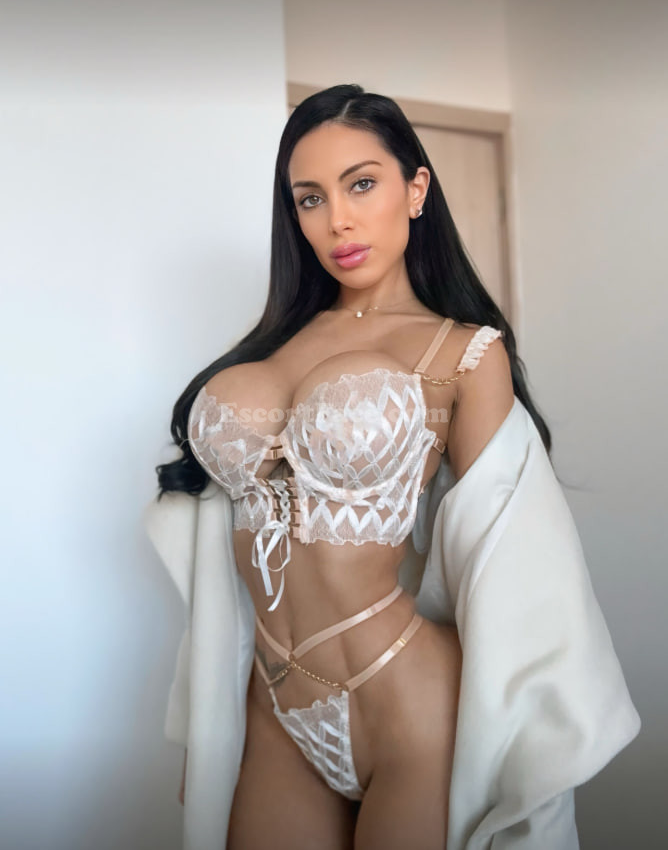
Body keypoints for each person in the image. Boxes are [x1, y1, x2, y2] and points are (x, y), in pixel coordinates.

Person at [146, 84, 640, 850]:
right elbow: (223, 553)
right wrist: (209, 730)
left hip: (407, 705)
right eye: (310, 199)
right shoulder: (272, 346)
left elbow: (507, 558)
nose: (337, 220)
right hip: (273, 707)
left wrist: (522, 752)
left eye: (362, 184)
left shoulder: (463, 354)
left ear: (415, 190)